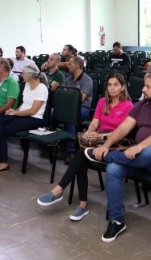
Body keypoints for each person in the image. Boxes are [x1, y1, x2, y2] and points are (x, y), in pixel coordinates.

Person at [92, 72, 151, 242]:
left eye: (148, 86)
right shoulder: (142, 104)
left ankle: (109, 157)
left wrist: (140, 146)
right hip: (136, 157)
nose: (143, 89)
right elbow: (124, 128)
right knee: (113, 169)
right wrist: (105, 145)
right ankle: (117, 220)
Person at [37, 74, 133, 220]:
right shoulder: (102, 102)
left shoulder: (128, 106)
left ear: (123, 87)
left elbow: (123, 132)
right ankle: (81, 204)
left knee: (80, 155)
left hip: (115, 145)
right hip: (98, 144)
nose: (112, 88)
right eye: (110, 85)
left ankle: (62, 192)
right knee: (80, 159)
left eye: (116, 85)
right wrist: (90, 132)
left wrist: (101, 136)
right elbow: (95, 122)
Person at [0, 62, 48, 175]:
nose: (22, 75)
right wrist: (14, 111)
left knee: (2, 130)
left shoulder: (42, 88)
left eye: (24, 73)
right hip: (21, 114)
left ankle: (2, 162)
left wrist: (15, 113)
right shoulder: (27, 85)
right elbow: (25, 104)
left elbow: (33, 111)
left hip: (34, 119)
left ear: (30, 75)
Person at [62, 55, 95, 160]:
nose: (68, 65)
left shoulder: (87, 80)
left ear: (77, 66)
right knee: (52, 112)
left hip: (83, 108)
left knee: (69, 116)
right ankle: (55, 141)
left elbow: (79, 100)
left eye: (70, 64)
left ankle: (70, 150)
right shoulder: (68, 79)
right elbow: (62, 95)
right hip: (68, 107)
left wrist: (68, 97)